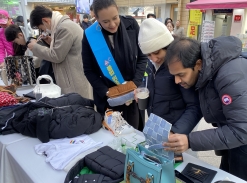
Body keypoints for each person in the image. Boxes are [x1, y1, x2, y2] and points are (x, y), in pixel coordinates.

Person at [163, 36, 247, 183]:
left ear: (198, 64)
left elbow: (241, 130)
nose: (177, 81)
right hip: (242, 129)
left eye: (181, 75)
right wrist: (177, 131)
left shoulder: (231, 75)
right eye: (174, 75)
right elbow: (198, 107)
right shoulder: (207, 70)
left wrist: (190, 141)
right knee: (226, 178)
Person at [81, 0, 148, 130]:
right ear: (96, 17)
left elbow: (142, 56)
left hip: (132, 96)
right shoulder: (90, 35)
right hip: (108, 100)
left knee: (134, 136)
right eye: (105, 22)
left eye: (115, 18)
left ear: (117, 10)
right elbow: (89, 70)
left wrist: (134, 83)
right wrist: (105, 92)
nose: (112, 24)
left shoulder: (131, 25)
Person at [137, 18, 201, 134]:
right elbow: (147, 80)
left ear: (167, 46)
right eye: (148, 55)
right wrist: (141, 88)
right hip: (157, 126)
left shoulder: (179, 67)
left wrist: (176, 132)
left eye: (157, 52)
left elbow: (194, 106)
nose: (154, 59)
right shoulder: (150, 64)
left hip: (178, 130)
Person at [27, 6, 90, 98]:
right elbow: (65, 48)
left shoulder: (64, 28)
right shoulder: (63, 25)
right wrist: (50, 41)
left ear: (45, 21)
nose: (44, 31)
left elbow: (56, 56)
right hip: (74, 78)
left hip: (75, 82)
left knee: (79, 109)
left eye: (42, 28)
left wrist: (35, 47)